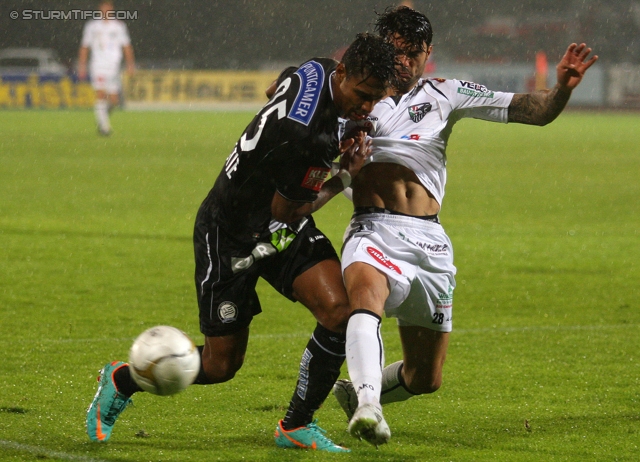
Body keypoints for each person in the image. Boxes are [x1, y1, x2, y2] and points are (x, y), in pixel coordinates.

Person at [85, 33, 399, 452]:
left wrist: (295, 144)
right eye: (362, 95)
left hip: (273, 222)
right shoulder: (309, 140)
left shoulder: (317, 67)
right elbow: (291, 212)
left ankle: (295, 426)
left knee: (340, 312)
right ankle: (123, 378)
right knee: (221, 365)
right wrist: (345, 172)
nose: (367, 107)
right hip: (230, 233)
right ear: (343, 72)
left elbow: (275, 89)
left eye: (376, 99)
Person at [331, 6, 598, 447]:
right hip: (372, 227)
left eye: (413, 52)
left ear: (428, 52)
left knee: (425, 377)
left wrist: (562, 89)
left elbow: (531, 110)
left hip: (429, 240)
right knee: (366, 298)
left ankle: (357, 390)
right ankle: (367, 405)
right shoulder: (356, 94)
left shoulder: (446, 93)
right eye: (395, 51)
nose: (403, 61)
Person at [78, 1, 135, 136]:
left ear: (112, 9)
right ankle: (104, 128)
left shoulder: (119, 26)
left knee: (114, 100)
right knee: (101, 94)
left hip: (114, 67)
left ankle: (102, 117)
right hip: (98, 65)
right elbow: (85, 47)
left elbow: (126, 46)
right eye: (104, 7)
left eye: (109, 7)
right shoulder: (92, 26)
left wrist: (130, 64)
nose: (106, 9)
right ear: (100, 9)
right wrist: (82, 66)